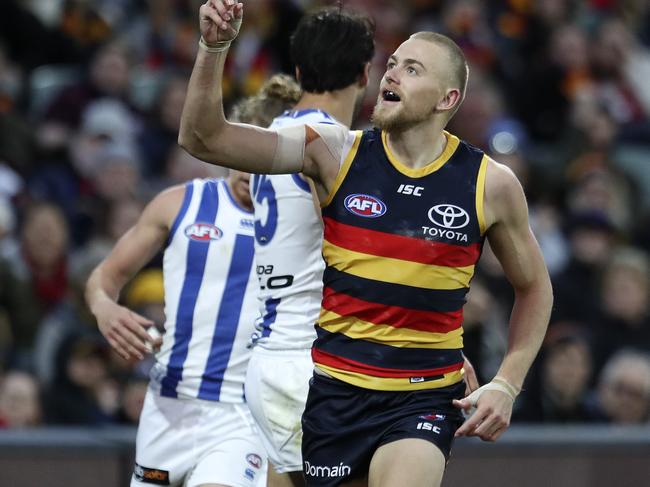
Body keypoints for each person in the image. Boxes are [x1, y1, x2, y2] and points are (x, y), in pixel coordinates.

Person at [178, 2, 553, 486]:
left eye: (411, 69)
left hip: (422, 396)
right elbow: (202, 138)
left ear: (447, 98)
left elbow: (535, 288)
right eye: (391, 64)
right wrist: (213, 48)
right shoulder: (333, 151)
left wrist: (507, 382)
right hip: (335, 394)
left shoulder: (490, 184)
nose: (390, 74)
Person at [85, 76, 301, 487]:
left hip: (242, 412)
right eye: (241, 154)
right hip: (168, 405)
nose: (247, 171)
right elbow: (105, 277)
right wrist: (104, 306)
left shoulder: (302, 224)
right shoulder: (182, 202)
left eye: (260, 161)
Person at [242, 8, 374, 487]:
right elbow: (356, 251)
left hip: (268, 357)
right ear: (365, 73)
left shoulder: (270, 138)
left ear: (298, 72)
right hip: (316, 359)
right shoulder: (332, 142)